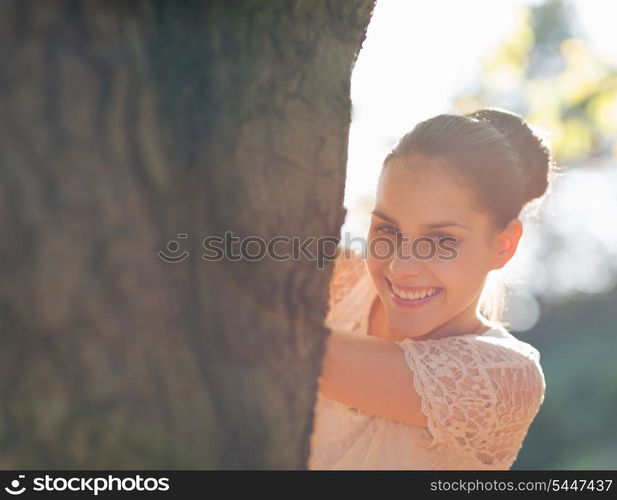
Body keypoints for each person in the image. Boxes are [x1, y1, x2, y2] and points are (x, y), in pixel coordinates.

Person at [308, 108, 556, 470]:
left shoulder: (503, 380)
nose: (399, 267)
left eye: (441, 241)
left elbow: (288, 348)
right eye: (388, 232)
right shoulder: (343, 281)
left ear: (503, 246)